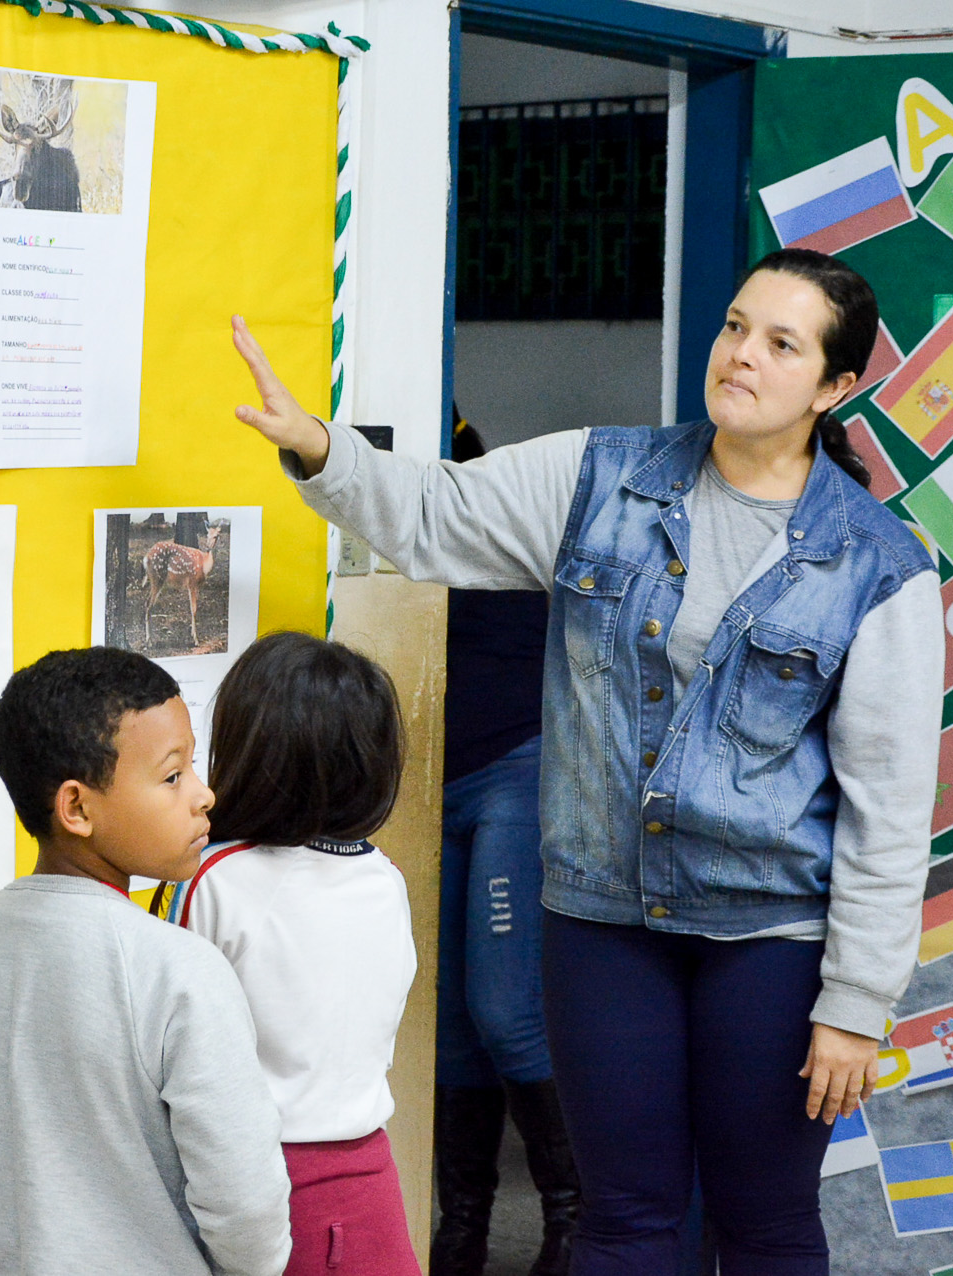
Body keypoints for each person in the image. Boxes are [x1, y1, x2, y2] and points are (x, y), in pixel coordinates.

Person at [225, 247, 942, 1276]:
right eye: (736, 325)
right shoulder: (600, 476)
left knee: (767, 1223)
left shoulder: (881, 565)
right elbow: (436, 514)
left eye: (781, 343)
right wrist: (318, 449)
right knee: (624, 1219)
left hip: (772, 935)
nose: (741, 355)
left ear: (836, 385)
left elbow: (890, 807)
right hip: (603, 916)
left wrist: (855, 1004)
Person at [0, 647, 293, 1276]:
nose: (203, 794)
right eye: (172, 777)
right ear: (77, 808)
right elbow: (245, 1202)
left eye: (193, 766)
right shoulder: (179, 971)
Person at [162, 631, 417, 1276]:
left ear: (247, 748)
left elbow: (162, 1044)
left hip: (259, 1192)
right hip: (373, 1187)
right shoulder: (384, 876)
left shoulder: (211, 876)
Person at [432, 412, 578, 1276]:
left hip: (517, 774)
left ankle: (570, 1220)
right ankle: (462, 1233)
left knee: (506, 1010)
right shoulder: (407, 525)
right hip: (430, 786)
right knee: (450, 1026)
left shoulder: (520, 519)